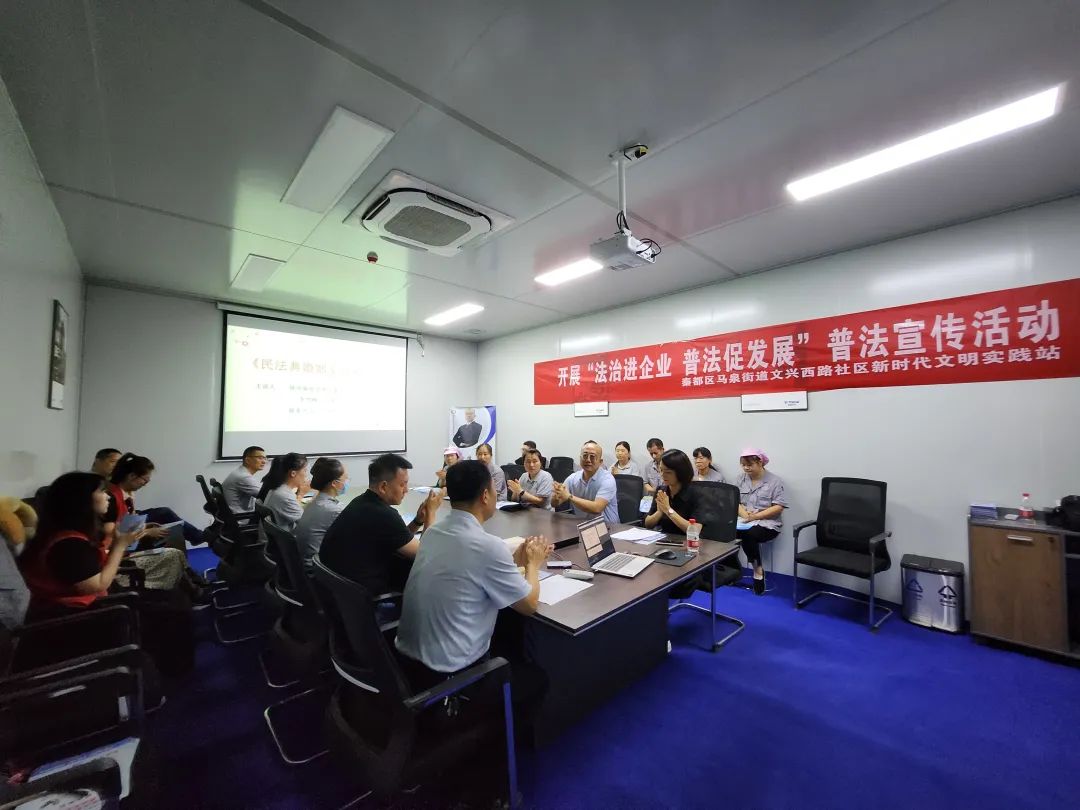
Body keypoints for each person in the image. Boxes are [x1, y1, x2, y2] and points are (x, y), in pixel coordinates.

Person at [394, 460, 549, 710]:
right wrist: (533, 563)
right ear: (486, 495)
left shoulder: (432, 532)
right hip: (451, 678)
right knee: (536, 679)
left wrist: (512, 562)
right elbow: (529, 605)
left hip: (406, 664)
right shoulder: (488, 546)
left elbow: (467, 568)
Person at [18, 472, 195, 675]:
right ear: (82, 500)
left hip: (86, 606)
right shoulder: (68, 544)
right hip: (74, 618)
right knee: (173, 610)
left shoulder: (69, 533)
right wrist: (120, 545)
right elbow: (98, 585)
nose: (107, 496)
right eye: (102, 491)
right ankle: (173, 673)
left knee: (175, 600)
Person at [320, 453, 442, 596]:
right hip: (363, 595)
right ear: (383, 486)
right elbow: (425, 555)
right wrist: (431, 513)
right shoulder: (383, 514)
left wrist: (418, 521)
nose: (406, 490)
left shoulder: (361, 501)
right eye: (402, 484)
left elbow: (398, 538)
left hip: (339, 591)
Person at [106, 453, 203, 549]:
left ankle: (196, 537)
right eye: (145, 480)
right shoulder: (112, 498)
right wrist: (146, 532)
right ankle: (197, 537)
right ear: (132, 476)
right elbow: (117, 535)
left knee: (166, 523)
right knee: (164, 527)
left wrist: (144, 526)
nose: (145, 485)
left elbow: (127, 524)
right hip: (120, 546)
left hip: (127, 532)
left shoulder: (127, 493)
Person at [735, 447, 788, 595]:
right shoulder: (740, 479)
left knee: (748, 534)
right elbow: (735, 501)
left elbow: (778, 507)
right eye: (743, 465)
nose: (746, 468)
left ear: (760, 463)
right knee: (726, 530)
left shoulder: (774, 481)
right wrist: (745, 515)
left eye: (749, 465)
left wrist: (755, 517)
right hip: (744, 519)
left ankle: (757, 570)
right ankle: (731, 569)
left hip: (768, 524)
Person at [293, 457, 347, 572]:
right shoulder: (334, 510)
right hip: (318, 571)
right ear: (334, 483)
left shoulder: (313, 504)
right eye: (345, 479)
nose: (346, 482)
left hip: (303, 565)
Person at [551, 441, 620, 525]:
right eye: (585, 456)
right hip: (582, 525)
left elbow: (597, 508)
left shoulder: (607, 479)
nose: (588, 460)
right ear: (580, 458)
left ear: (600, 461)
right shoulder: (573, 478)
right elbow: (554, 504)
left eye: (592, 457)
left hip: (608, 527)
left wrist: (569, 496)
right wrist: (556, 496)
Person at [643, 449, 701, 534]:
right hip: (665, 539)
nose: (662, 475)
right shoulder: (661, 491)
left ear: (681, 472)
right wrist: (659, 512)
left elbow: (695, 530)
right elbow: (647, 524)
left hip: (687, 540)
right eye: (661, 470)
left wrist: (668, 510)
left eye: (668, 472)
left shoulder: (696, 493)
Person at [259, 452, 310, 531]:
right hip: (287, 536)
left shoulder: (278, 488)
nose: (306, 475)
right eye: (305, 471)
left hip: (277, 535)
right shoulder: (284, 496)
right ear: (293, 473)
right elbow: (307, 523)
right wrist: (301, 494)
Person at [222, 445, 267, 514]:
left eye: (265, 458)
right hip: (241, 517)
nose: (264, 461)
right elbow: (265, 496)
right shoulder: (243, 477)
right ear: (247, 460)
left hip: (235, 513)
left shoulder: (241, 472)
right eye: (260, 458)